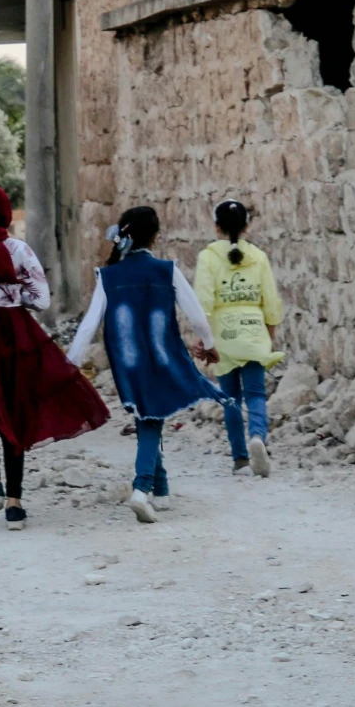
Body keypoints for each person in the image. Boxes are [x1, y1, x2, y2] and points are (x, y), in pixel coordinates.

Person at [0, 183, 108, 529]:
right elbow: (40, 300)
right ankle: (15, 503)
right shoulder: (18, 250)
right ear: (4, 213)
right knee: (16, 409)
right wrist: (10, 294)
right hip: (15, 336)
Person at [65, 206, 226, 524]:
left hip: (127, 363)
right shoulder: (167, 270)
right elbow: (195, 313)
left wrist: (71, 364)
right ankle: (141, 489)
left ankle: (161, 490)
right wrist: (209, 346)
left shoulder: (108, 276)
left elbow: (88, 325)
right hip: (162, 357)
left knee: (148, 416)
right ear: (155, 236)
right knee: (153, 418)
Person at [194, 199, 284, 477]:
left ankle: (240, 458)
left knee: (230, 397)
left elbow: (203, 301)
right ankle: (258, 436)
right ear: (247, 227)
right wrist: (269, 335)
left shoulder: (208, 258)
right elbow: (270, 301)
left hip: (224, 335)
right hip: (253, 330)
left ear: (216, 227)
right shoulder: (259, 257)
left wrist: (203, 339)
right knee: (256, 393)